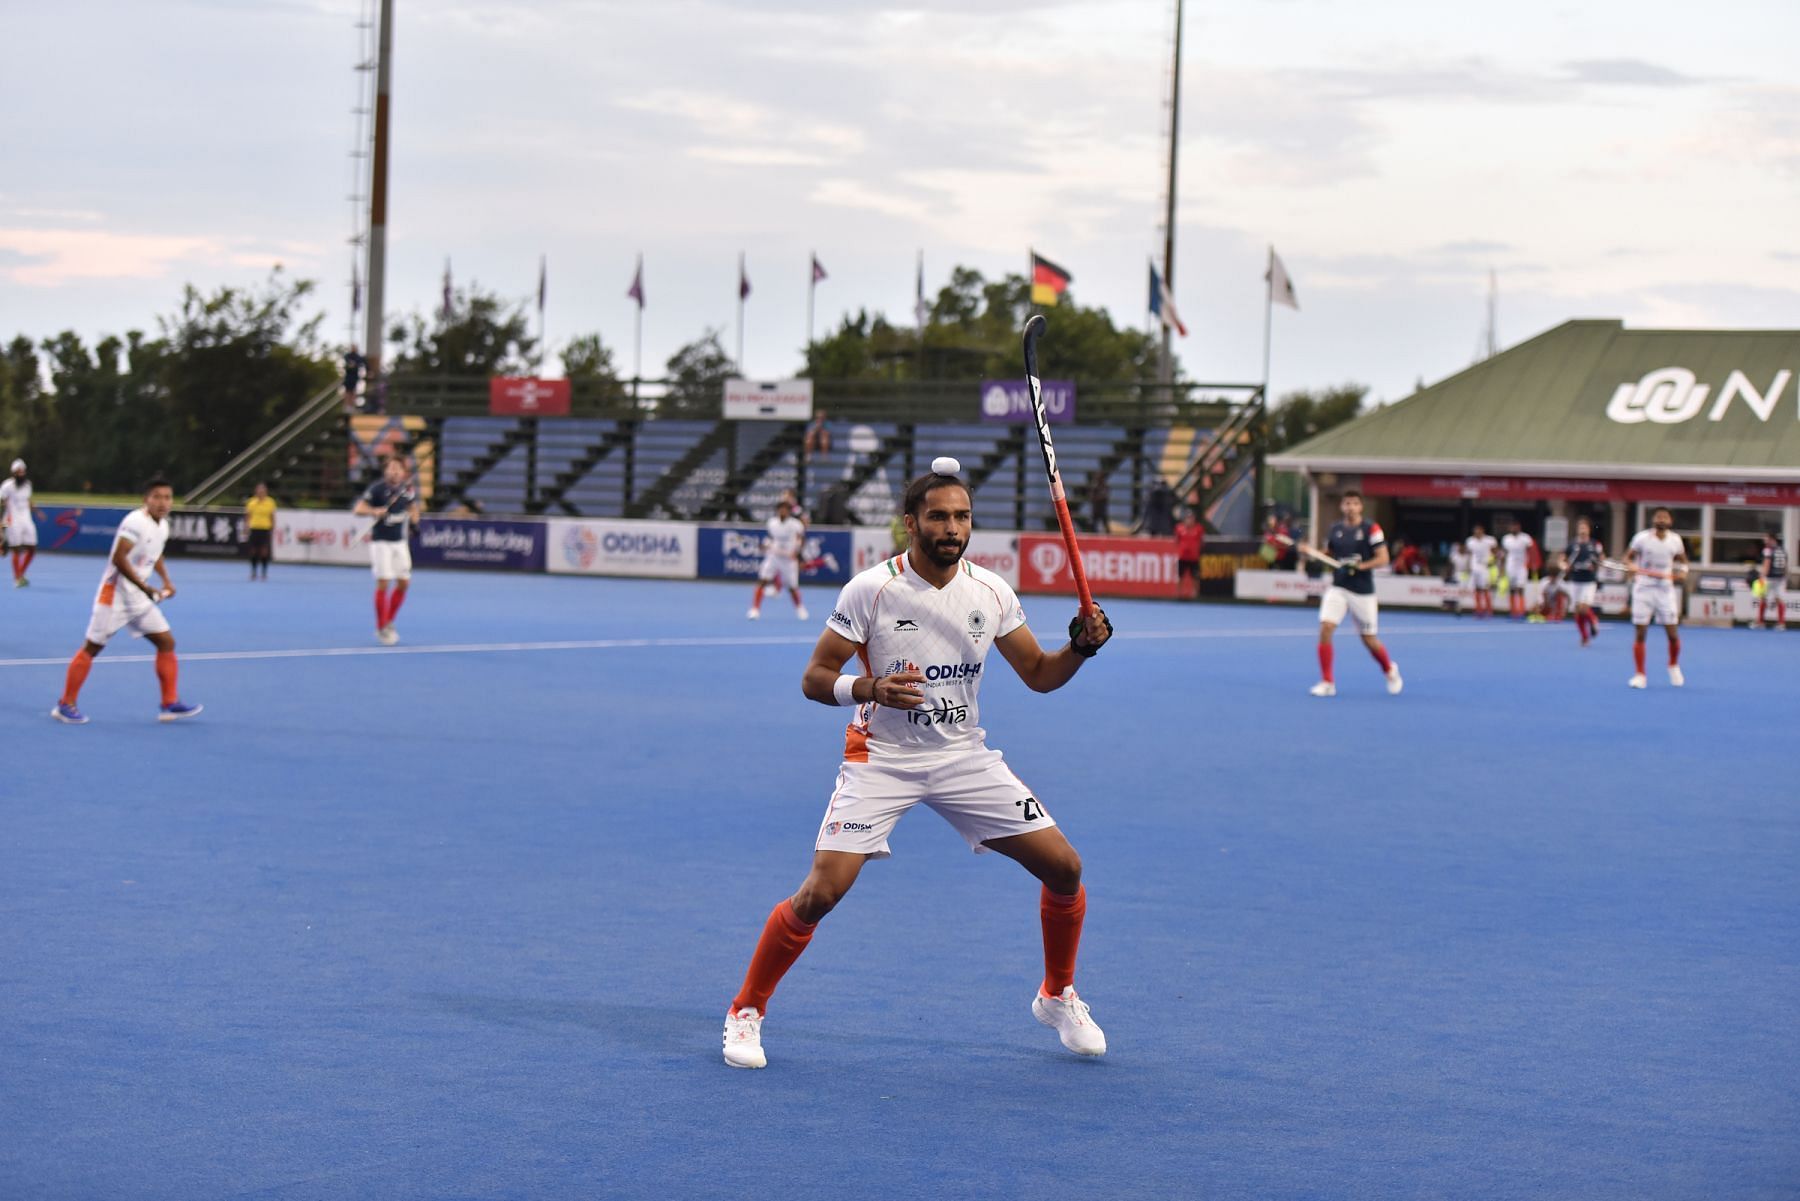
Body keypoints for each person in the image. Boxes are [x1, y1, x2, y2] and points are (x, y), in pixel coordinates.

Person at [720, 462, 1115, 1069]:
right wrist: (869, 689)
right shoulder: (870, 589)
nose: (952, 527)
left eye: (961, 516)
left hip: (962, 756)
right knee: (821, 893)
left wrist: (1081, 650)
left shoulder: (991, 591)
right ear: (910, 524)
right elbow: (814, 679)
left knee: (1065, 867)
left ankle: (1057, 994)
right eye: (938, 516)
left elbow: (1039, 676)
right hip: (881, 758)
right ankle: (746, 1010)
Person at [52, 476, 202, 724]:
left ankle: (169, 703)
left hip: (139, 599)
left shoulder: (162, 525)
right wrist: (145, 587)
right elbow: (119, 559)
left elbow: (156, 554)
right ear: (146, 499)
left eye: (167, 497)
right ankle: (64, 704)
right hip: (115, 597)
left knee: (166, 641)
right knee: (93, 647)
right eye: (157, 497)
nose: (163, 502)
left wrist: (166, 581)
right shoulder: (135, 522)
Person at [1304, 490, 1402, 697]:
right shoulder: (1335, 529)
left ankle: (1389, 670)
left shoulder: (1371, 529)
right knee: (1326, 628)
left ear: (1360, 507)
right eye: (1346, 503)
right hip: (1339, 587)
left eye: (1354, 504)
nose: (1350, 507)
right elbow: (1328, 553)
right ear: (1342, 506)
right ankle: (1327, 682)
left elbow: (1383, 558)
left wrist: (1361, 567)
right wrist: (1311, 553)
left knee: (1369, 639)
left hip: (1362, 591)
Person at [354, 458, 420, 645]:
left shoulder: (407, 491)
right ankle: (381, 626)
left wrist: (415, 523)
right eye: (391, 468)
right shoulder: (376, 489)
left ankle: (389, 620)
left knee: (404, 582)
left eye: (398, 469)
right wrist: (375, 511)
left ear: (403, 472)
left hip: (399, 542)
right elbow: (358, 509)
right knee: (384, 582)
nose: (395, 472)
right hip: (381, 542)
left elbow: (413, 508)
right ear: (386, 471)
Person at [1624, 506, 1688, 689]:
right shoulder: (1641, 538)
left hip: (1665, 591)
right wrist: (1632, 566)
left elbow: (1683, 562)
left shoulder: (1675, 540)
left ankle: (1673, 665)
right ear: (1653, 520)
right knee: (1640, 632)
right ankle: (1640, 675)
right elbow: (1627, 559)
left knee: (1673, 634)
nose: (1661, 520)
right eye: (1658, 516)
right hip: (1643, 589)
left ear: (1670, 521)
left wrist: (1683, 572)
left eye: (1664, 517)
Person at [747, 497, 809, 621]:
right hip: (773, 557)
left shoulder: (796, 525)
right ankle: (754, 609)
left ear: (789, 511)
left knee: (792, 587)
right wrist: (765, 545)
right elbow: (770, 538)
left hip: (788, 559)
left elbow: (802, 540)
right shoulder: (771, 523)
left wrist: (796, 553)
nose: (783, 511)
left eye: (786, 509)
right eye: (781, 509)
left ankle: (800, 608)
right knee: (763, 581)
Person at [1560, 518, 1604, 646]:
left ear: (1589, 530)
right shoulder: (1572, 545)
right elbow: (1562, 559)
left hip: (1589, 580)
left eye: (1585, 528)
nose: (1583, 531)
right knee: (1578, 610)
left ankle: (1593, 621)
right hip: (1575, 580)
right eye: (1580, 528)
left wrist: (1596, 565)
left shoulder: (1595, 544)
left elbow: (1601, 559)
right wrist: (1564, 566)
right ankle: (1584, 637)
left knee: (1584, 607)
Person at [1, 458, 38, 587]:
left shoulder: (28, 485)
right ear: (13, 472)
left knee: (32, 548)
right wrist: (2, 524)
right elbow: (2, 503)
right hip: (13, 520)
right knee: (16, 550)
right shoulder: (6, 486)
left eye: (23, 471)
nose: (21, 473)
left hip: (26, 519)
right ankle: (17, 578)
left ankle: (21, 573)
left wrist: (35, 509)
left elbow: (28, 500)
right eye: (18, 471)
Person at [1753, 531, 1788, 630]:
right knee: (1779, 599)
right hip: (1780, 578)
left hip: (1770, 577)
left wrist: (1762, 576)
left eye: (1766, 538)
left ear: (1772, 539)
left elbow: (1767, 563)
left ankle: (1760, 622)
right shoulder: (1782, 550)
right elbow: (1785, 565)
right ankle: (1781, 623)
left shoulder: (1768, 550)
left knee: (1763, 598)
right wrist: (1784, 577)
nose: (1764, 540)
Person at [1500, 519, 1535, 619]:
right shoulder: (1506, 539)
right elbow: (1504, 554)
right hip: (1510, 566)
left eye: (1516, 526)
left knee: (1520, 588)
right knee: (1512, 588)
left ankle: (1521, 610)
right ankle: (1513, 611)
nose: (1514, 528)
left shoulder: (1526, 538)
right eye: (1512, 526)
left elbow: (1531, 551)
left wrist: (1532, 563)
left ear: (1519, 527)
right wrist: (1501, 568)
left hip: (1522, 566)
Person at [1464, 523, 1498, 618]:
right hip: (1474, 567)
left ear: (1482, 531)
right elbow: (1469, 554)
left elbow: (1495, 552)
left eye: (1479, 530)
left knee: (1485, 588)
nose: (1477, 532)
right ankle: (1479, 610)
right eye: (1475, 530)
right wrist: (1468, 566)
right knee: (1477, 588)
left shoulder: (1489, 540)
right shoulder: (1470, 541)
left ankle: (1489, 609)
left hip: (1485, 567)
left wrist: (1493, 561)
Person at [244, 482, 276, 581]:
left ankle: (264, 573)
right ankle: (253, 572)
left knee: (264, 551)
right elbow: (248, 516)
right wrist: (246, 527)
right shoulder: (251, 502)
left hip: (265, 529)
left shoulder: (270, 502)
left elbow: (272, 516)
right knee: (253, 551)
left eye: (263, 490)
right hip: (254, 528)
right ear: (256, 491)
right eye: (259, 490)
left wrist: (273, 527)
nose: (261, 492)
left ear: (266, 491)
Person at [1174, 508, 1204, 600]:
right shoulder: (1179, 528)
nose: (1189, 520)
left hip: (1194, 558)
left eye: (1191, 518)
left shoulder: (1199, 528)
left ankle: (1195, 594)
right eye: (1188, 518)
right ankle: (1178, 594)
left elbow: (1201, 541)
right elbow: (1177, 540)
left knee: (1195, 577)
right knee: (1180, 576)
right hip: (1183, 557)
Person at [342, 345, 367, 410]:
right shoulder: (348, 356)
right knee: (347, 392)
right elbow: (346, 359)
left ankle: (352, 406)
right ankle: (347, 406)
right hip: (348, 377)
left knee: (353, 391)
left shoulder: (358, 357)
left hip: (354, 377)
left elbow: (363, 363)